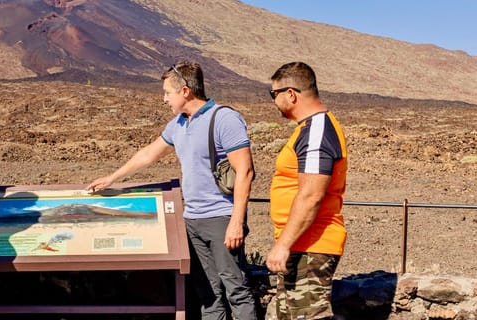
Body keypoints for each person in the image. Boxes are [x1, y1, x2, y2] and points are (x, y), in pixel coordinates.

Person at [87, 61, 258, 320]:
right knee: (208, 293)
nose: (164, 98)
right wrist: (113, 178)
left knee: (236, 288)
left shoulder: (224, 119)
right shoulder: (178, 124)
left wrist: (236, 221)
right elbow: (149, 154)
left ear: (185, 91)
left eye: (167, 92)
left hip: (221, 218)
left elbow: (245, 171)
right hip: (192, 220)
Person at [265, 62, 347, 320]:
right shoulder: (308, 129)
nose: (274, 101)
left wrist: (284, 245)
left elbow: (311, 195)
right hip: (300, 244)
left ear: (291, 94)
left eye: (273, 94)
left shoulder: (316, 132)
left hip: (310, 246)